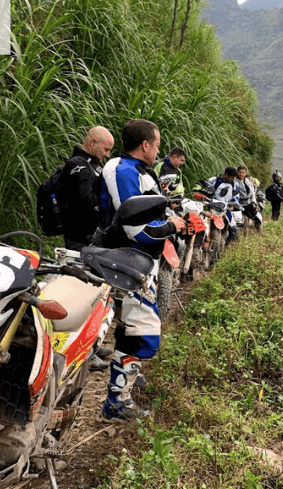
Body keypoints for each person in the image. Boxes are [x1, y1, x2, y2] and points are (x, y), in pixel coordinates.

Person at [99, 119, 187, 421]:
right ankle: (116, 401)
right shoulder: (123, 171)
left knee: (130, 330)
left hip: (138, 263)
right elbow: (137, 229)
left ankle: (125, 382)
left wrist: (173, 218)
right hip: (128, 262)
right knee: (145, 335)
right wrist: (170, 225)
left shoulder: (139, 171)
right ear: (146, 145)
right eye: (158, 143)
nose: (160, 149)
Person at [60, 127, 115, 251]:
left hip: (93, 236)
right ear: (93, 143)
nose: (107, 154)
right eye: (106, 149)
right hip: (80, 237)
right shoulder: (78, 164)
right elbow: (85, 201)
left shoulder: (94, 164)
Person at [214, 167, 240, 244]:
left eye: (234, 177)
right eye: (231, 177)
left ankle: (229, 246)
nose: (233, 179)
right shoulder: (215, 180)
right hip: (213, 207)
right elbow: (206, 188)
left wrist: (234, 204)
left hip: (226, 208)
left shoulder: (235, 184)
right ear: (226, 174)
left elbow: (236, 196)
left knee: (234, 230)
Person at [236, 165, 262, 230]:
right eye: (240, 172)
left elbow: (252, 192)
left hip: (249, 204)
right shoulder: (234, 182)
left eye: (243, 173)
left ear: (245, 173)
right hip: (238, 204)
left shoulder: (249, 181)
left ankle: (258, 232)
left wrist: (253, 202)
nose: (242, 174)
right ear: (237, 172)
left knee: (258, 218)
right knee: (239, 222)